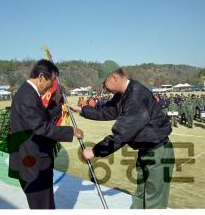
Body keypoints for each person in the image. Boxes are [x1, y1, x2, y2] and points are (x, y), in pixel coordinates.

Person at [69, 61, 174, 209]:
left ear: (114, 78)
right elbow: (108, 111)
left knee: (154, 202)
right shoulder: (124, 93)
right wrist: (82, 110)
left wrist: (94, 151)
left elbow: (121, 136)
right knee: (140, 196)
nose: (104, 88)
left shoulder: (136, 97)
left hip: (158, 153)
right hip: (145, 152)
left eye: (104, 84)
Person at [8, 59, 84, 209]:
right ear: (41, 77)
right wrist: (71, 131)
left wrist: (59, 107)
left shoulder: (27, 92)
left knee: (45, 204)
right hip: (33, 166)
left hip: (34, 162)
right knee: (42, 206)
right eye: (52, 80)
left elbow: (39, 116)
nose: (51, 86)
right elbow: (40, 127)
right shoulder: (27, 96)